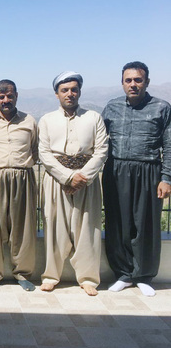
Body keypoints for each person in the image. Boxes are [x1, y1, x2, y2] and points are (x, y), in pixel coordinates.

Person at [102, 61, 171, 297]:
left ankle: (143, 275)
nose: (133, 84)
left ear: (147, 82)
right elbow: (97, 140)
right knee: (118, 223)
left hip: (148, 171)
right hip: (116, 170)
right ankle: (123, 273)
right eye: (128, 80)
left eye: (138, 80)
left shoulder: (162, 107)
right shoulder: (111, 107)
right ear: (122, 83)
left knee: (146, 224)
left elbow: (169, 145)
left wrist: (166, 178)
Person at [38, 72, 108, 296]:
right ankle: (51, 276)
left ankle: (88, 278)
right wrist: (68, 177)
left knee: (88, 228)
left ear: (79, 92)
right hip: (56, 181)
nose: (70, 94)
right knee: (54, 228)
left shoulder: (94, 118)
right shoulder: (47, 120)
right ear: (57, 94)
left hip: (87, 182)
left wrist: (81, 178)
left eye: (74, 89)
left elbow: (101, 151)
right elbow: (44, 153)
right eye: (65, 90)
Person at [0, 80, 38, 291]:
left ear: (16, 96)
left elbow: (35, 149)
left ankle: (22, 273)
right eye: (1, 96)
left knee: (23, 228)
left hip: (22, 177)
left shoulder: (29, 121)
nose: (6, 100)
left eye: (10, 96)